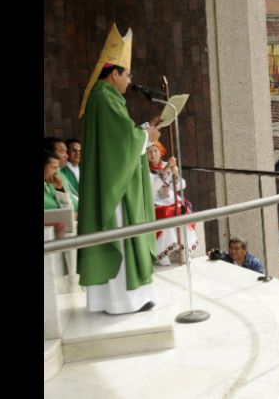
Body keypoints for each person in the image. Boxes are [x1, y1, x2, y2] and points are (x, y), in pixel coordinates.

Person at [77, 24, 162, 315]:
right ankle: (122, 302)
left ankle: (133, 297)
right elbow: (121, 142)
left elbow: (121, 137)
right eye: (128, 74)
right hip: (113, 186)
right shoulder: (103, 97)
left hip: (116, 178)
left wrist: (142, 132)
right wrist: (145, 136)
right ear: (114, 73)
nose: (130, 80)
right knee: (121, 237)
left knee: (126, 237)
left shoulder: (108, 98)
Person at [146, 142, 198, 265]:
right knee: (166, 215)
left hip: (172, 200)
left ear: (160, 152)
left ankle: (185, 249)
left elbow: (181, 184)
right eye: (149, 152)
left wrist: (175, 175)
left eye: (155, 151)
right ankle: (163, 252)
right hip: (155, 202)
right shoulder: (145, 170)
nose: (153, 154)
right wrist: (166, 170)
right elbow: (152, 186)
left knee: (182, 211)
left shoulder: (167, 165)